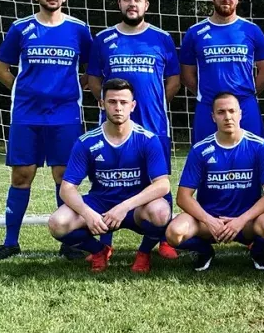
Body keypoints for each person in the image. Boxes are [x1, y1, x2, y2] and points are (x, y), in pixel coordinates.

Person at [0, 0, 93, 260]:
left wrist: (74, 87)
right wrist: (22, 90)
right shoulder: (21, 28)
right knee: (22, 175)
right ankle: (10, 242)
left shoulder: (78, 29)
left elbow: (92, 69)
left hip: (65, 116)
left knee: (64, 177)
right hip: (27, 115)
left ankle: (68, 242)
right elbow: (0, 69)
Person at [87, 0, 181, 260]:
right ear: (119, 3)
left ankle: (162, 239)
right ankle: (105, 243)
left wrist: (156, 103)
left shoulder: (161, 38)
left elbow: (174, 80)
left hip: (154, 124)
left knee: (159, 181)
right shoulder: (103, 39)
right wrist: (107, 104)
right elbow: (94, 79)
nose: (132, 4)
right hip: (113, 129)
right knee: (107, 182)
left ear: (146, 5)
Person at [47, 78, 172, 273]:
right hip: (100, 205)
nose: (118, 108)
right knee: (57, 223)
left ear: (133, 106)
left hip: (135, 208)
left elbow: (163, 185)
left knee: (161, 212)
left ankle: (144, 253)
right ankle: (99, 251)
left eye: (123, 102)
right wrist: (87, 214)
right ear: (102, 104)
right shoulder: (86, 142)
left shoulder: (148, 140)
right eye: (112, 102)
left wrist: (124, 207)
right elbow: (67, 188)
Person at [167, 92, 264, 272]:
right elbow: (183, 197)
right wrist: (210, 221)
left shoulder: (259, 146)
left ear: (240, 114)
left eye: (232, 111)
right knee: (174, 233)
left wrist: (241, 220)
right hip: (209, 223)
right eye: (221, 112)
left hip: (247, 222)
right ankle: (204, 251)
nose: (227, 117)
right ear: (213, 116)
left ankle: (257, 249)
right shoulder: (200, 150)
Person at [179, 0, 264, 144]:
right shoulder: (195, 32)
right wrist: (206, 93)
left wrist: (247, 94)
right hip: (208, 106)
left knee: (252, 155)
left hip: (245, 106)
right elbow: (186, 74)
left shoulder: (251, 30)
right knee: (205, 156)